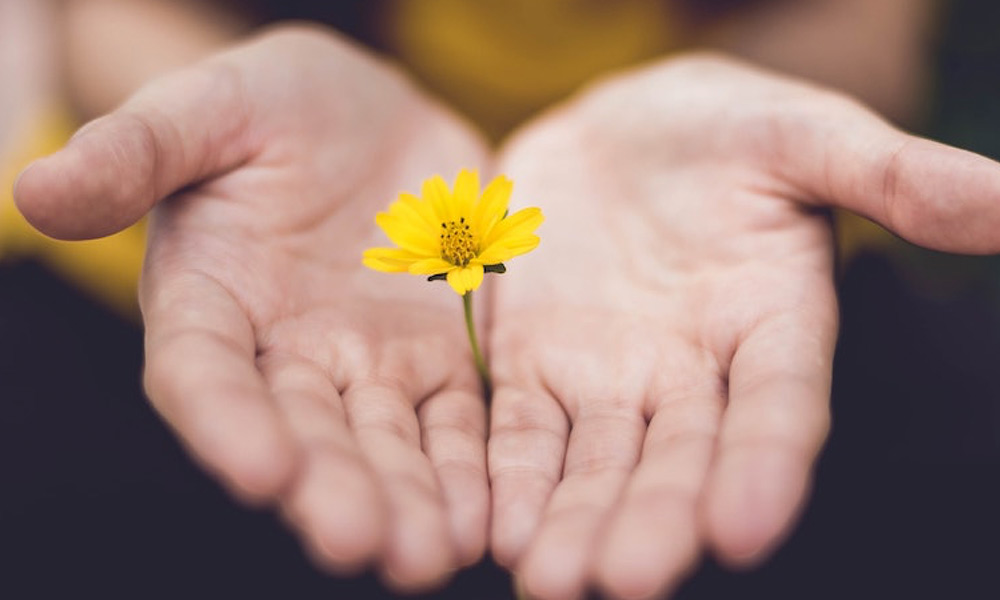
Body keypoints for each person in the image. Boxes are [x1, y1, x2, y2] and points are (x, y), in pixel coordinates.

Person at [7, 1, 1000, 598]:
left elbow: (863, 24)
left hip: (718, 271)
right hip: (240, 258)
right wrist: (201, 102)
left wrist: (755, 103)